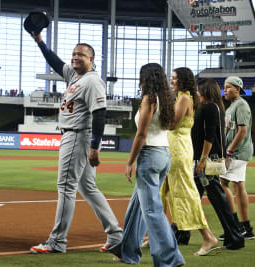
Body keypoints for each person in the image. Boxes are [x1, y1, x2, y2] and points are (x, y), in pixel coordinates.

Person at [29, 32, 122, 253]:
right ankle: (116, 234)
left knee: (65, 187)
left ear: (92, 59)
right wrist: (40, 41)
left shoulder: (92, 81)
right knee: (88, 187)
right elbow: (55, 62)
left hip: (78, 136)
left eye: (81, 55)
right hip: (74, 135)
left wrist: (94, 147)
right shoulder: (75, 77)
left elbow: (100, 114)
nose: (75, 57)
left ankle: (57, 241)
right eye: (73, 54)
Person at [108, 63, 185, 267]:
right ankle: (128, 252)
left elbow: (141, 134)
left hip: (150, 155)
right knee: (138, 207)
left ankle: (170, 258)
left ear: (145, 78)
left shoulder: (149, 99)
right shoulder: (167, 99)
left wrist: (129, 162)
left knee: (152, 210)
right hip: (163, 154)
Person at [160, 67, 219, 256]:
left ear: (183, 80)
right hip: (174, 148)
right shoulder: (183, 97)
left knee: (185, 193)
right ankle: (156, 236)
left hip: (178, 150)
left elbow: (171, 124)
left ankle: (208, 236)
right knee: (161, 192)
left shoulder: (184, 98)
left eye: (175, 78)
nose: (172, 81)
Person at [191, 78, 245, 250]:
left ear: (205, 91)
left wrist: (202, 159)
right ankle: (180, 233)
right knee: (193, 197)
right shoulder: (213, 107)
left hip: (208, 160)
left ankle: (235, 238)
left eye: (199, 90)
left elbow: (209, 136)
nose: (197, 93)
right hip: (208, 159)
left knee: (217, 199)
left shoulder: (210, 107)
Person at [220, 76, 255, 240]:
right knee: (238, 186)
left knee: (222, 184)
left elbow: (242, 131)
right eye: (224, 87)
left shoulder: (241, 105)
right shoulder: (232, 107)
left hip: (237, 152)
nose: (225, 90)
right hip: (238, 152)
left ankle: (234, 226)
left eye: (228, 87)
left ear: (238, 89)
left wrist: (228, 152)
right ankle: (245, 227)